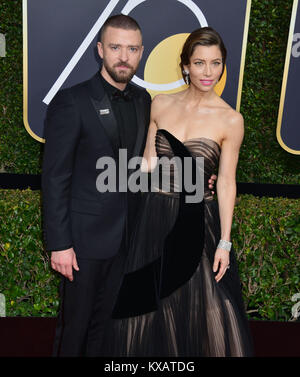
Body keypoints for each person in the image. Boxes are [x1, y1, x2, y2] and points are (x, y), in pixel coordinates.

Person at [102, 27, 254, 357]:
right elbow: (146, 164)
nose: (208, 72)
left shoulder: (230, 120)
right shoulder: (161, 104)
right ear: (185, 65)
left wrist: (225, 242)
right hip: (154, 218)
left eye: (216, 63)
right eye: (200, 63)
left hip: (197, 221)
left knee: (206, 310)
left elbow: (227, 181)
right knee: (149, 312)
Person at [42, 15, 151, 357]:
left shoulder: (145, 101)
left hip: (128, 241)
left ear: (141, 52)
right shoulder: (72, 101)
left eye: (132, 49)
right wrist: (60, 244)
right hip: (83, 243)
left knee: (108, 331)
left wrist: (200, 175)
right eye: (116, 47)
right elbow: (55, 176)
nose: (124, 56)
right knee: (75, 329)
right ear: (100, 49)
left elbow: (149, 163)